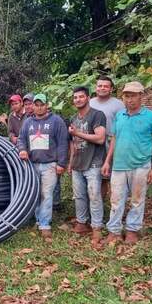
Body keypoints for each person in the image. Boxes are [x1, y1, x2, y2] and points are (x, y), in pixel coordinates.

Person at [101, 82, 152, 245]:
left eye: (133, 95)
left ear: (141, 96)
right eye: (127, 96)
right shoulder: (119, 116)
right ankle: (114, 231)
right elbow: (113, 139)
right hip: (119, 165)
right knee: (116, 199)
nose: (130, 99)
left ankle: (132, 231)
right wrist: (107, 161)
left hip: (141, 165)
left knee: (137, 200)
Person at [18, 94, 68, 243]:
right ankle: (39, 221)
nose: (39, 107)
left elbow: (63, 143)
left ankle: (45, 225)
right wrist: (22, 149)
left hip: (50, 165)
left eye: (42, 105)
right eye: (36, 104)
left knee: (46, 194)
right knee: (35, 194)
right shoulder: (28, 123)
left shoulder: (56, 121)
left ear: (47, 106)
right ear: (32, 106)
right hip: (32, 164)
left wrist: (61, 163)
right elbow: (21, 139)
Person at [67, 87, 107, 248]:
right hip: (77, 163)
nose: (78, 99)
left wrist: (78, 133)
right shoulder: (73, 117)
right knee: (79, 196)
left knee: (94, 196)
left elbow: (100, 138)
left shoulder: (97, 115)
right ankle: (81, 223)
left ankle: (97, 227)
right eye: (75, 97)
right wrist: (70, 162)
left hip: (93, 163)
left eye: (81, 97)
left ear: (88, 98)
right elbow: (73, 144)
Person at [89, 76, 125, 198]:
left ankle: (109, 203)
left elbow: (122, 126)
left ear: (111, 89)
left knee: (109, 176)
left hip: (111, 143)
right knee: (95, 175)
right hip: (91, 143)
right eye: (100, 85)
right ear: (96, 87)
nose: (102, 88)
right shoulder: (90, 103)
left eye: (106, 86)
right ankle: (97, 205)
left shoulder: (119, 105)